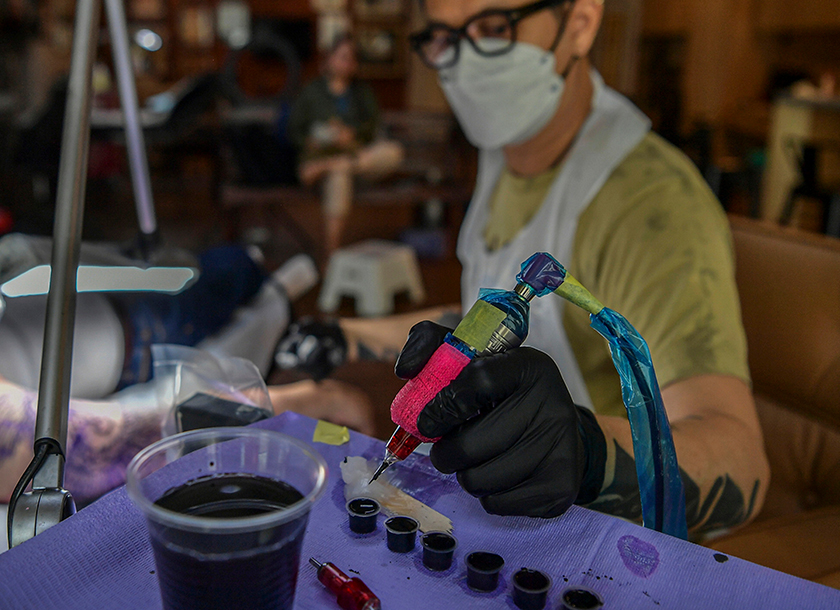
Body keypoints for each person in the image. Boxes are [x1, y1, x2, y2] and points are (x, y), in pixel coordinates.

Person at [335, 0, 769, 534]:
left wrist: (588, 454)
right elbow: (483, 315)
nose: (466, 62)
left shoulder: (653, 205)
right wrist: (343, 335)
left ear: (581, 23)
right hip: (498, 516)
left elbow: (742, 460)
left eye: (494, 28)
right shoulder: (507, 155)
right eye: (443, 37)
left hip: (609, 546)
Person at [0, 240, 375, 504]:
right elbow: (102, 440)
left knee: (232, 269)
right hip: (131, 337)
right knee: (231, 269)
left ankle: (263, 269)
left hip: (102, 321)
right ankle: (264, 270)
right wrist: (305, 400)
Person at [287, 34, 404, 256]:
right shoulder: (312, 91)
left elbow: (372, 127)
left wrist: (351, 134)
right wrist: (312, 140)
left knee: (394, 152)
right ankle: (330, 254)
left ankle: (335, 164)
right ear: (329, 58)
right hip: (321, 157)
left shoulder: (361, 92)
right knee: (338, 178)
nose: (347, 63)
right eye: (342, 57)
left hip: (357, 159)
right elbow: (294, 130)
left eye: (351, 59)